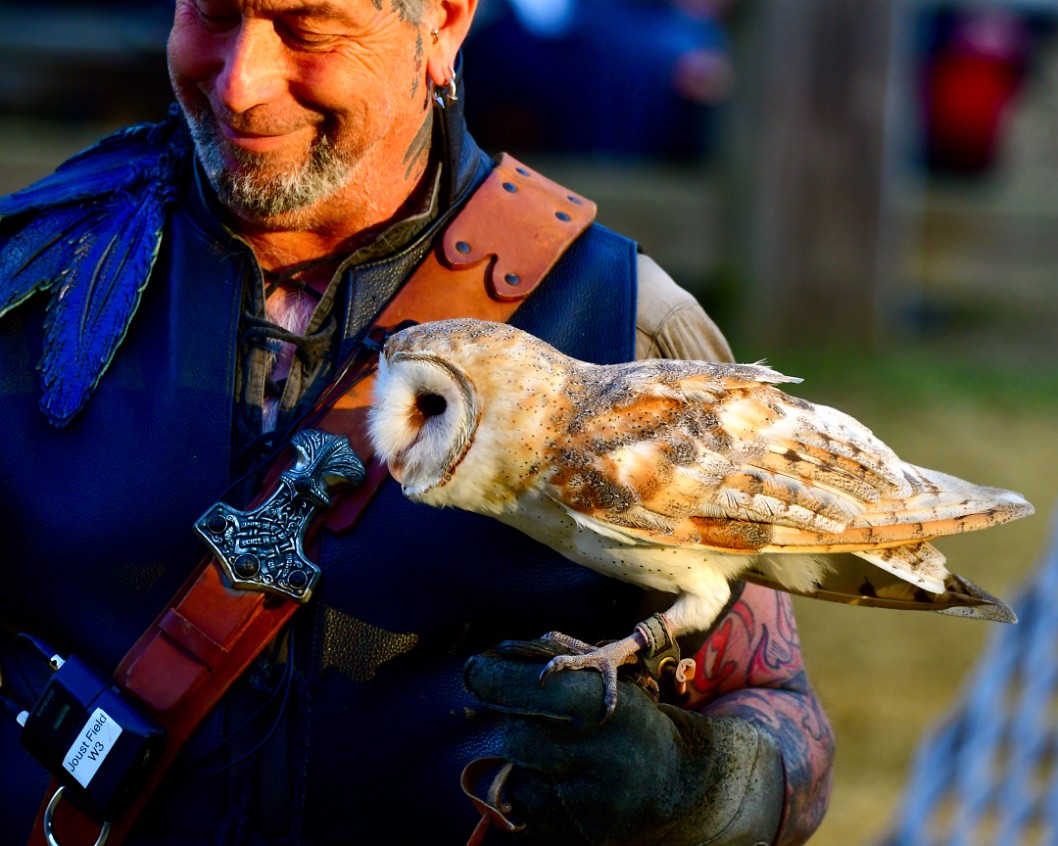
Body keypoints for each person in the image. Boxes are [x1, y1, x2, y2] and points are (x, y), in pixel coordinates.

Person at [0, 1, 833, 844]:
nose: (241, 83)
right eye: (211, 14)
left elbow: (779, 708)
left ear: (443, 23)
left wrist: (693, 786)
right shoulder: (23, 284)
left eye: (308, 28)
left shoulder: (625, 328)